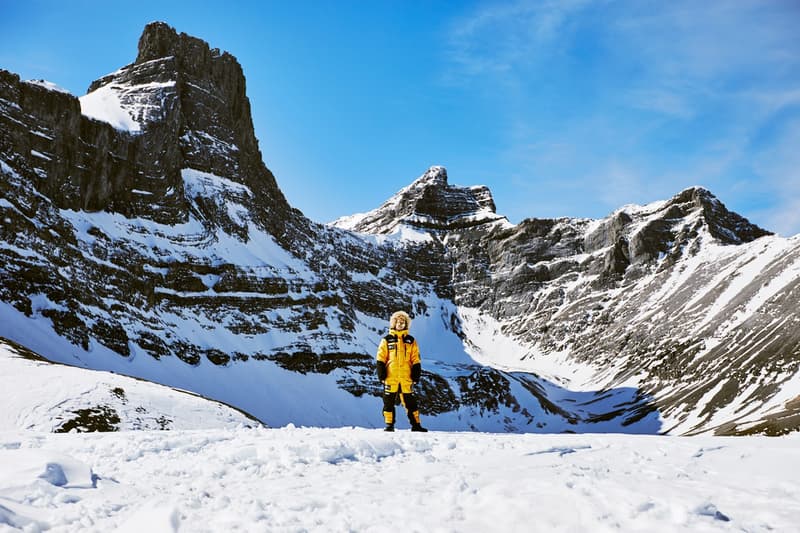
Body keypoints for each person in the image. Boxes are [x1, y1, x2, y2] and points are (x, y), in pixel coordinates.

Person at [376, 310, 428, 432]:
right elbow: (381, 358)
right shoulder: (387, 340)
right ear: (394, 323)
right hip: (390, 377)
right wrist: (381, 374)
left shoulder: (411, 341)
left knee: (411, 403)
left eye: (403, 322)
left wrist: (416, 376)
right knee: (388, 402)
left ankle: (416, 425)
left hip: (406, 378)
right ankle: (389, 425)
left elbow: (415, 359)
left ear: (406, 324)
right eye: (398, 322)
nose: (400, 324)